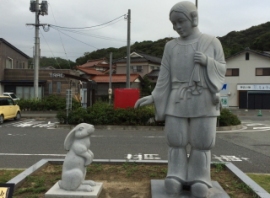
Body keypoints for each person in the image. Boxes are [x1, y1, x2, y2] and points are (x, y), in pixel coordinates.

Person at [135, 1, 226, 198]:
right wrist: (153, 96)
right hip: (177, 98)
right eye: (173, 23)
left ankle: (200, 178)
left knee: (202, 142)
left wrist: (207, 62)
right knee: (176, 140)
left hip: (202, 97)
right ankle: (175, 174)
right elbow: (164, 76)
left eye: (180, 21)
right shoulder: (171, 46)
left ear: (193, 18)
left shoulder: (212, 42)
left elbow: (222, 69)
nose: (177, 27)